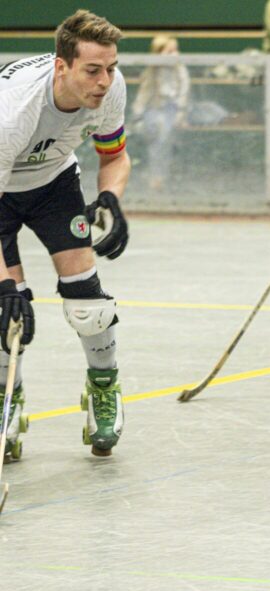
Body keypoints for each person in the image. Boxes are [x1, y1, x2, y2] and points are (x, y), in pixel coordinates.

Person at [0, 10, 132, 458]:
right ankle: (7, 402)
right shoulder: (12, 111)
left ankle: (104, 390)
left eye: (110, 68)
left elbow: (114, 156)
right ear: (62, 67)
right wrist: (5, 286)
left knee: (87, 303)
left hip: (54, 181)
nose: (104, 81)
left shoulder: (111, 91)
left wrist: (110, 198)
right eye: (93, 70)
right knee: (7, 309)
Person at [132, 35, 190, 191]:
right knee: (157, 134)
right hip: (155, 110)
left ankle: (160, 175)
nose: (174, 54)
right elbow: (144, 95)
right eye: (169, 51)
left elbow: (184, 94)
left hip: (174, 110)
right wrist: (137, 115)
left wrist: (181, 113)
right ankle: (156, 175)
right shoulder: (152, 72)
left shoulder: (180, 70)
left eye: (176, 50)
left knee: (164, 136)